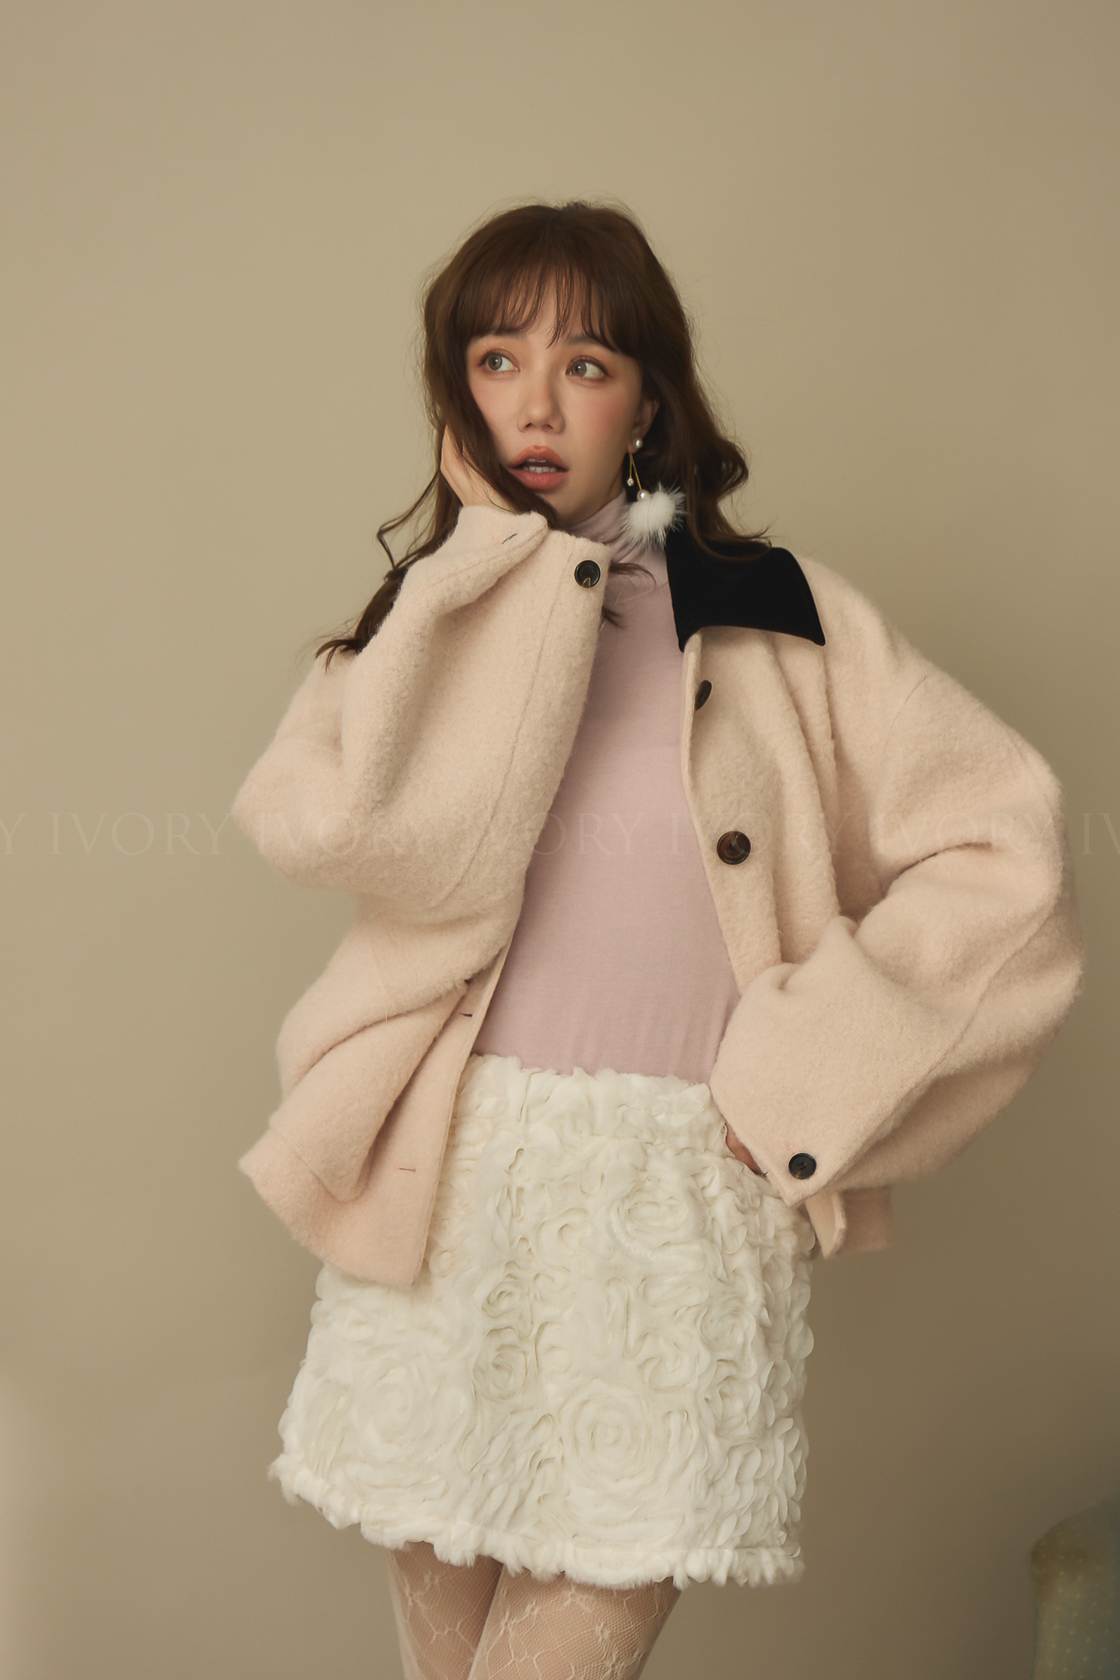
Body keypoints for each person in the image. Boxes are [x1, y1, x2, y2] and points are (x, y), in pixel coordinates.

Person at [232, 202, 1083, 1680]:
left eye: (585, 364)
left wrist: (807, 1069)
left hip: (675, 1199)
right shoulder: (425, 622)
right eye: (496, 362)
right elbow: (344, 828)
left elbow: (1005, 847)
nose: (537, 405)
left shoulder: (775, 618)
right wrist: (480, 572)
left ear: (646, 400)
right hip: (450, 1182)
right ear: (454, 394)